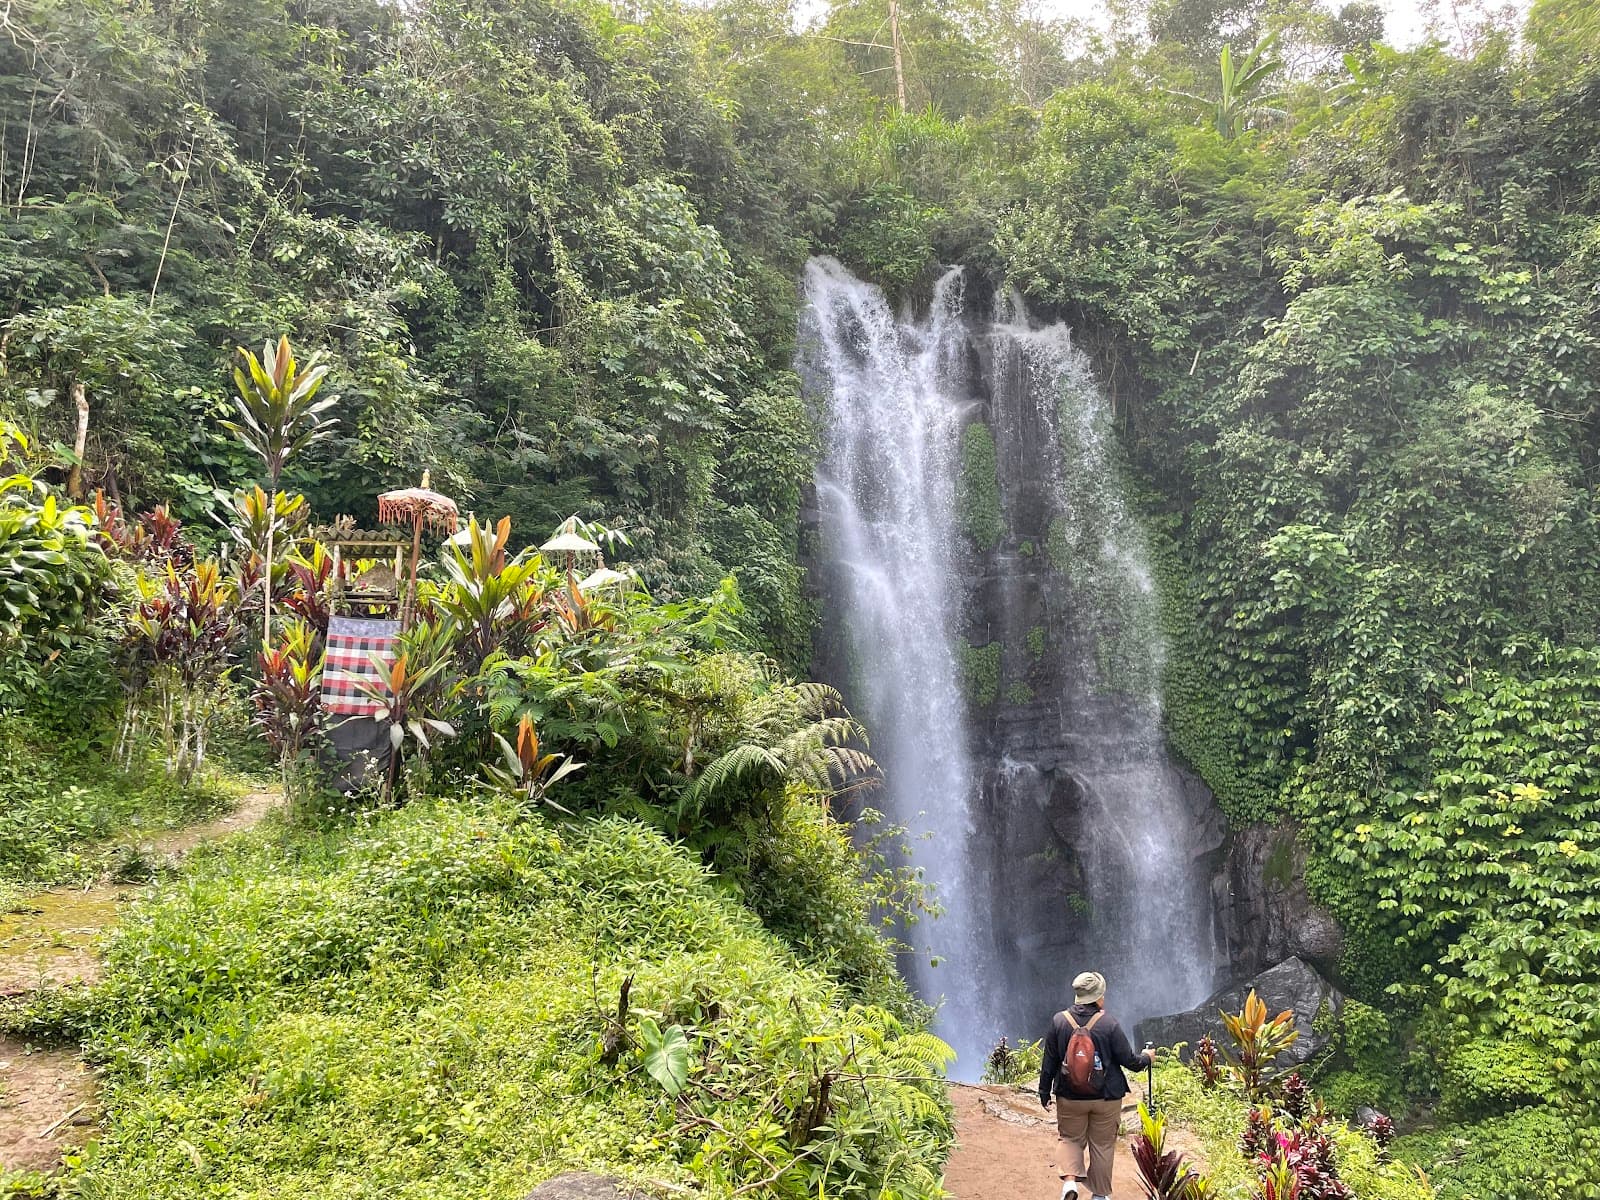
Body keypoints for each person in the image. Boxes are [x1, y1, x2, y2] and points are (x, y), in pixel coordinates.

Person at [1037, 970, 1152, 1200]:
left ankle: (1070, 1184)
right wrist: (1147, 1057)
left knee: (1070, 1138)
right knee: (1102, 1145)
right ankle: (1099, 1195)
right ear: (1098, 997)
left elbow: (1049, 1060)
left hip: (1069, 1095)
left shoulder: (1059, 1021)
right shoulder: (1108, 1024)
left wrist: (1044, 1091)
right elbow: (1129, 1061)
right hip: (1106, 1097)